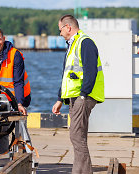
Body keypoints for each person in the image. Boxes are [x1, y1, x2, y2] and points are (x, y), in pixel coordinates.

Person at [52, 14, 104, 174]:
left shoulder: (85, 42)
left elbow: (91, 71)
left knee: (76, 135)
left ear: (68, 27)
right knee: (78, 136)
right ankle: (81, 171)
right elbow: (67, 75)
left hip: (83, 97)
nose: (60, 33)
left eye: (60, 29)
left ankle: (82, 172)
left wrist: (83, 94)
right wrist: (60, 99)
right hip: (75, 97)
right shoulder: (73, 44)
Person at [0, 27, 31, 154]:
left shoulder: (15, 54)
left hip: (15, 97)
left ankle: (26, 156)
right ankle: (2, 158)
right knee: (0, 129)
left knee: (19, 128)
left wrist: (19, 103)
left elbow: (18, 82)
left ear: (4, 39)